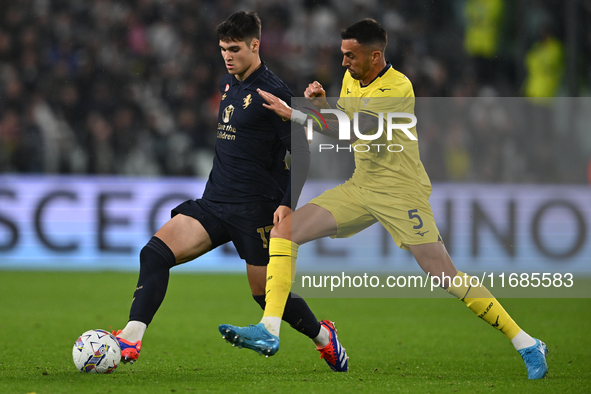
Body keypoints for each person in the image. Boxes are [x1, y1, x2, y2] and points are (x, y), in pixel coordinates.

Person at [220, 18, 548, 379]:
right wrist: (323, 104)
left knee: (445, 276)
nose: (343, 62)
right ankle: (270, 328)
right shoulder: (352, 78)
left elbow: (358, 131)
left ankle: (527, 343)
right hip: (362, 185)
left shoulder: (398, 87)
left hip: (400, 192)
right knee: (284, 231)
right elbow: (344, 124)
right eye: (343, 54)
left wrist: (296, 114)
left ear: (375, 56)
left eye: (350, 55)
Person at [112, 11, 348, 372]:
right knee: (154, 253)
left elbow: (301, 151)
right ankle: (131, 336)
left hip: (256, 209)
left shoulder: (273, 91)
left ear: (256, 45)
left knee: (263, 295)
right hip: (215, 202)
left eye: (235, 48)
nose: (227, 55)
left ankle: (323, 336)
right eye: (223, 48)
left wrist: (287, 204)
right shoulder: (228, 84)